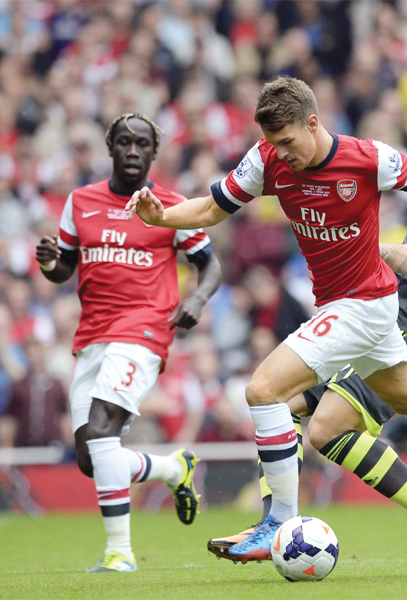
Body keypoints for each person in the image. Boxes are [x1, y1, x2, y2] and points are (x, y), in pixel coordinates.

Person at [126, 76, 407, 576]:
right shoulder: (266, 158)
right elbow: (209, 208)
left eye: (288, 142)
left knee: (264, 390)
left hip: (364, 306)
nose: (282, 154)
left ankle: (278, 523)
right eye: (274, 144)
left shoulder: (367, 157)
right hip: (361, 308)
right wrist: (163, 217)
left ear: (313, 123)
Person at [36, 113, 222, 573]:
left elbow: (210, 265)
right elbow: (66, 268)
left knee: (101, 432)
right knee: (90, 458)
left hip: (143, 332)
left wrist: (197, 298)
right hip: (91, 335)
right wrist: (49, 265)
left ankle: (120, 554)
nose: (133, 150)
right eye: (124, 142)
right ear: (112, 148)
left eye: (142, 144)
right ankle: (174, 469)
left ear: (154, 153)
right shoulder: (80, 202)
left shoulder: (170, 205)